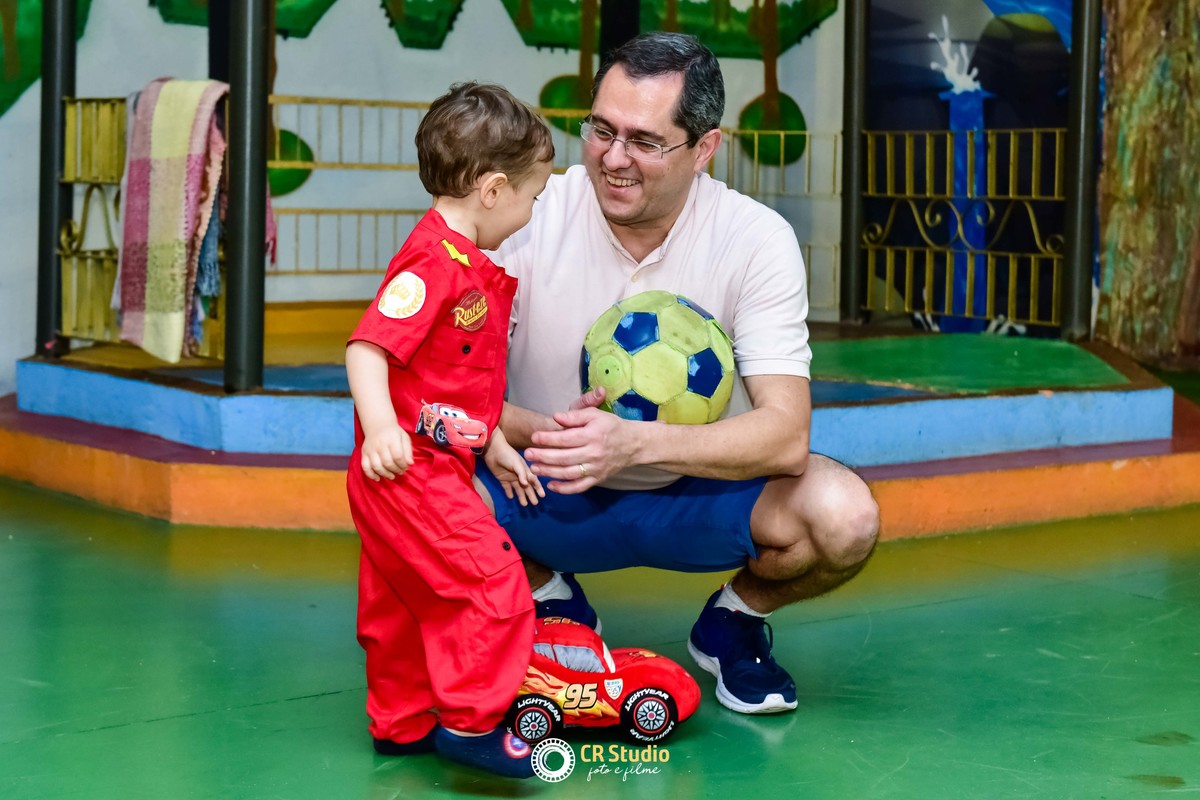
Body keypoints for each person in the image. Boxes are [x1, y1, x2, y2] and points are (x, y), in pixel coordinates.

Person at [476, 33, 881, 715]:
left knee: (845, 516)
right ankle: (547, 596)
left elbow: (786, 436)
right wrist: (559, 437)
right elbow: (445, 386)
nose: (614, 158)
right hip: (544, 487)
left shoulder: (756, 239)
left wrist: (634, 444)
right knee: (402, 465)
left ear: (704, 148)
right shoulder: (527, 212)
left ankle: (733, 621)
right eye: (602, 130)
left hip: (697, 495)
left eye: (644, 141)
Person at [345, 82, 553, 778]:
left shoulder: (462, 261)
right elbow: (368, 348)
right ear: (493, 190)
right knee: (491, 581)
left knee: (402, 602)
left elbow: (448, 382)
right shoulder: (433, 264)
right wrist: (381, 428)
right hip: (409, 472)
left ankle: (402, 723)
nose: (531, 211)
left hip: (430, 464)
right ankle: (472, 722)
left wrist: (492, 442)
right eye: (532, 196)